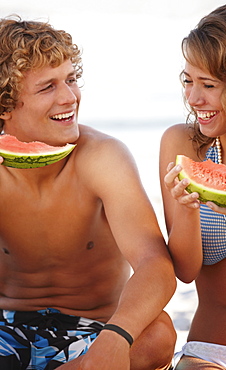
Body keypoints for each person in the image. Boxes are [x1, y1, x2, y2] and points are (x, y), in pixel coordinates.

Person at [0, 16, 177, 370]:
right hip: (7, 328)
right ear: (5, 106)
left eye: (71, 79)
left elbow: (155, 265)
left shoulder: (103, 156)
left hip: (95, 330)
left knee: (158, 334)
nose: (70, 97)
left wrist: (115, 338)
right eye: (47, 87)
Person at [159, 3, 226, 370]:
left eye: (208, 85)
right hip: (213, 348)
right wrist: (188, 212)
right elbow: (186, 270)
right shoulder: (183, 146)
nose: (194, 99)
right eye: (187, 81)